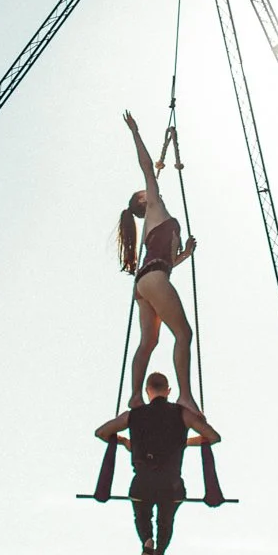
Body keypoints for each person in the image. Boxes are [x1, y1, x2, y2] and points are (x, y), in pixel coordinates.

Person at [115, 111, 199, 411]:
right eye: (145, 191)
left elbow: (167, 262)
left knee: (149, 342)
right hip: (154, 278)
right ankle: (185, 396)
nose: (150, 189)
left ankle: (135, 397)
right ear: (142, 200)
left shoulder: (156, 219)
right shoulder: (154, 205)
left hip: (145, 282)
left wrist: (184, 254)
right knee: (184, 334)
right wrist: (135, 132)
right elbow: (147, 167)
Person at [94, 371, 221, 555]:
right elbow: (213, 437)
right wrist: (184, 442)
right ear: (168, 391)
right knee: (166, 518)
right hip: (171, 484)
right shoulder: (183, 413)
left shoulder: (133, 415)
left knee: (141, 513)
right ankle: (160, 551)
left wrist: (125, 441)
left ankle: (147, 539)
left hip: (142, 483)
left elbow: (101, 432)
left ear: (147, 391)